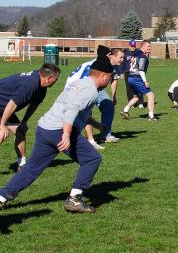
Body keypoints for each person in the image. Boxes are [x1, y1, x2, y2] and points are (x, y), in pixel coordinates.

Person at [0, 55, 114, 213]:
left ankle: (2, 197)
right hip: (59, 130)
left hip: (45, 128)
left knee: (32, 168)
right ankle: (74, 199)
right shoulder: (91, 91)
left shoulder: (79, 83)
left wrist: (96, 125)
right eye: (110, 76)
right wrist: (66, 134)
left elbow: (75, 109)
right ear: (102, 76)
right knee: (92, 159)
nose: (110, 80)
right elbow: (72, 109)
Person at [0, 64, 60, 170]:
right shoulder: (31, 83)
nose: (56, 82)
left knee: (20, 130)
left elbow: (34, 105)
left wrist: (24, 121)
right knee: (2, 134)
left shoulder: (42, 88)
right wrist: (3, 125)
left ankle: (22, 165)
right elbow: (12, 104)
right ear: (48, 78)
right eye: (55, 79)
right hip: (4, 106)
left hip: (4, 108)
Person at [66, 46, 124, 149]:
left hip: (96, 87)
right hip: (77, 88)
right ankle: (91, 141)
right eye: (120, 57)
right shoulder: (95, 65)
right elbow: (83, 82)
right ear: (111, 56)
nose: (122, 60)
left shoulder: (115, 65)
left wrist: (113, 96)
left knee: (108, 105)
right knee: (87, 111)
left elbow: (114, 79)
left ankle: (105, 135)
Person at [120, 40, 159, 121]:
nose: (149, 48)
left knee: (137, 96)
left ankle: (125, 110)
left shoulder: (136, 54)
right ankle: (151, 116)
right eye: (148, 46)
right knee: (151, 95)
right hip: (137, 78)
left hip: (130, 77)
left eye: (150, 46)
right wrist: (145, 81)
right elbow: (141, 70)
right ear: (143, 46)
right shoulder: (142, 56)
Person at [122, 40, 144, 109]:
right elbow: (122, 63)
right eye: (131, 46)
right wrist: (122, 72)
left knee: (139, 88)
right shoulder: (125, 53)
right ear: (129, 46)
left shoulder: (138, 52)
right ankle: (131, 103)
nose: (133, 47)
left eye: (134, 46)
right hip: (128, 73)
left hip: (136, 73)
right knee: (129, 89)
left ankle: (140, 103)